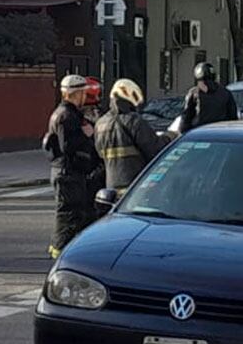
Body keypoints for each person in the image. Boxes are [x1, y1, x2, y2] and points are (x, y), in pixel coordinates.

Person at [45, 74, 104, 256]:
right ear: (73, 94)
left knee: (78, 213)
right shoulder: (66, 115)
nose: (84, 97)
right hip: (67, 173)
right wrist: (85, 134)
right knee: (68, 214)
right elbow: (67, 147)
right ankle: (60, 252)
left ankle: (67, 251)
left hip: (69, 172)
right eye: (82, 93)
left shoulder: (67, 113)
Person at [95, 79, 164, 194]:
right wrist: (171, 135)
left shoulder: (100, 124)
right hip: (135, 188)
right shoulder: (134, 121)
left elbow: (99, 156)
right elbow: (155, 149)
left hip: (111, 190)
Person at [179, 61, 239, 133]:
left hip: (200, 132)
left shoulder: (195, 92)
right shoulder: (225, 92)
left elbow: (187, 116)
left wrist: (183, 132)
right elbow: (233, 116)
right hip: (221, 132)